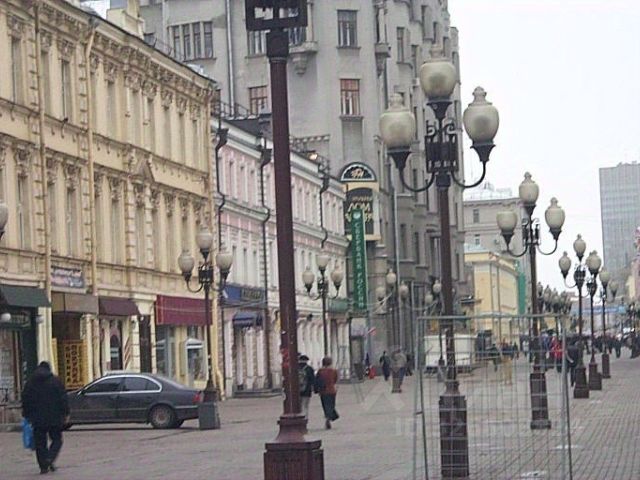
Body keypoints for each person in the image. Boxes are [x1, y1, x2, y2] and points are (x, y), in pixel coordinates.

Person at [21, 361, 69, 474]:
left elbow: (25, 399)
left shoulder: (30, 383)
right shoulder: (55, 381)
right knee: (57, 440)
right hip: (54, 417)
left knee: (40, 443)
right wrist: (66, 413)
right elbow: (63, 399)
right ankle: (50, 458)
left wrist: (26, 414)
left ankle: (43, 466)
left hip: (37, 419)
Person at [315, 357, 339, 429]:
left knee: (325, 405)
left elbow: (317, 380)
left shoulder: (320, 371)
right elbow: (335, 380)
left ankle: (327, 416)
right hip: (332, 390)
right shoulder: (333, 371)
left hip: (323, 391)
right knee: (331, 405)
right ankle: (329, 417)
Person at [298, 355, 315, 420]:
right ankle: (305, 417)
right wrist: (313, 388)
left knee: (298, 404)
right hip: (307, 390)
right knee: (305, 405)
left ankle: (299, 416)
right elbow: (312, 379)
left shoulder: (295, 368)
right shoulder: (309, 369)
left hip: (297, 390)